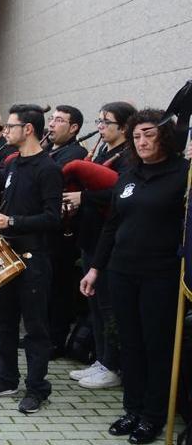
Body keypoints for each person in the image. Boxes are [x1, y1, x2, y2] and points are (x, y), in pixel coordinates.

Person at [80, 108, 187, 444]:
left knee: (156, 345)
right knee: (130, 343)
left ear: (165, 137)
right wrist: (96, 268)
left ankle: (153, 416)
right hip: (122, 271)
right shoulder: (128, 175)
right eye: (136, 136)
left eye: (149, 135)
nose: (141, 142)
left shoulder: (184, 174)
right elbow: (113, 225)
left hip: (162, 275)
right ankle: (133, 409)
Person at [0, 104, 62, 414]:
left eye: (11, 126)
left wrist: (11, 222)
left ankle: (37, 388)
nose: (6, 131)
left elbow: (53, 218)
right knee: (6, 321)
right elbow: (9, 205)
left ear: (28, 129)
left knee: (35, 327)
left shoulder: (48, 168)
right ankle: (6, 378)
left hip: (34, 258)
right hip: (6, 255)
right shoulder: (13, 165)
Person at [64, 101, 134, 390]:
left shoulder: (129, 156)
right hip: (91, 236)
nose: (101, 127)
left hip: (110, 242)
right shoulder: (104, 150)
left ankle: (113, 364)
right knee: (93, 303)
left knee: (107, 306)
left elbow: (118, 194)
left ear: (124, 127)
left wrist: (85, 198)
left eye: (107, 122)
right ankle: (102, 359)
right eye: (100, 121)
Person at [44, 105, 88, 360]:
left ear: (73, 128)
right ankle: (43, 336)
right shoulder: (50, 150)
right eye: (51, 119)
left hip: (64, 232)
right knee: (45, 288)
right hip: (46, 230)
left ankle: (55, 340)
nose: (51, 124)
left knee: (59, 289)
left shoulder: (76, 153)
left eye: (59, 120)